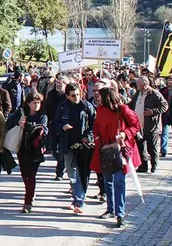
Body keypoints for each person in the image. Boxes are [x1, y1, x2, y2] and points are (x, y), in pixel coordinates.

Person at [90, 87, 141, 227]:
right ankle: (110, 209)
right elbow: (97, 126)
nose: (97, 97)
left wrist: (124, 134)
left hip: (119, 150)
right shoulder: (100, 110)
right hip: (105, 150)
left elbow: (136, 125)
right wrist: (96, 137)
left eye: (100, 95)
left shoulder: (122, 109)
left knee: (119, 181)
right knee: (108, 181)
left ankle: (120, 213)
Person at [54, 83, 96, 214]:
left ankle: (79, 201)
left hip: (83, 144)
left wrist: (88, 136)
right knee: (71, 174)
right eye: (73, 96)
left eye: (78, 94)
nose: (76, 97)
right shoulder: (62, 107)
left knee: (82, 173)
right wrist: (62, 126)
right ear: (67, 96)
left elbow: (94, 124)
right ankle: (75, 198)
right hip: (68, 144)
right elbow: (55, 122)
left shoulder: (87, 106)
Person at [7, 92, 48, 213]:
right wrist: (19, 122)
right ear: (28, 103)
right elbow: (8, 123)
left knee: (31, 175)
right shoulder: (21, 113)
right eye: (34, 103)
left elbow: (41, 129)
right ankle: (30, 192)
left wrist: (27, 125)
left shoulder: (42, 115)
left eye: (38, 103)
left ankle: (28, 201)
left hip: (36, 150)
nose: (36, 105)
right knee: (24, 174)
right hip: (22, 148)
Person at [129, 76, 167, 174]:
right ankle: (143, 166)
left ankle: (154, 165)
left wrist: (152, 111)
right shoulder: (137, 94)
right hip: (138, 125)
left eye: (138, 83)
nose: (136, 85)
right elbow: (131, 105)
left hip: (151, 126)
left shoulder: (154, 94)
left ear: (144, 84)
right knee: (140, 147)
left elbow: (164, 106)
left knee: (152, 148)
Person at [44, 75, 68, 180]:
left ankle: (59, 172)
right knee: (54, 149)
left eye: (61, 83)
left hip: (64, 126)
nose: (58, 85)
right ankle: (62, 161)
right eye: (57, 83)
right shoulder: (51, 94)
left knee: (62, 149)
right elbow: (47, 108)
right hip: (53, 125)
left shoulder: (68, 96)